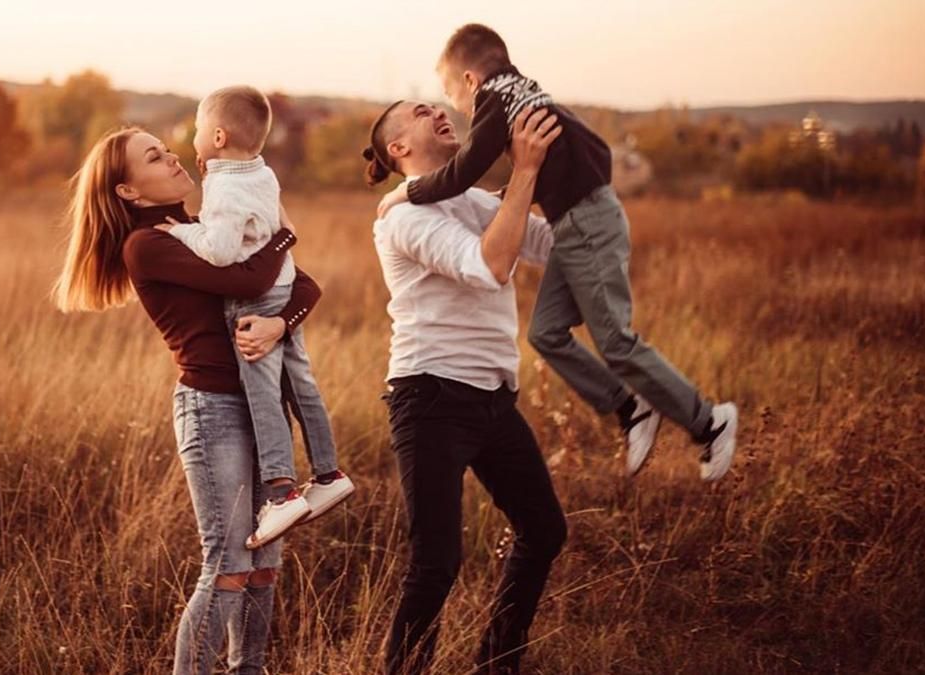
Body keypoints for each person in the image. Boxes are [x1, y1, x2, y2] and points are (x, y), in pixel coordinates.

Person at [376, 23, 738, 481]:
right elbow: (590, 148)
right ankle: (631, 409)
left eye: (450, 95)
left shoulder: (494, 98)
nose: (454, 108)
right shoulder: (524, 89)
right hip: (577, 221)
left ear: (470, 80)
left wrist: (406, 193)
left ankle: (709, 421)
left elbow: (463, 171)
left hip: (586, 220)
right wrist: (546, 182)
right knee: (546, 333)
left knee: (615, 342)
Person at [53, 126, 312, 674]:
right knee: (228, 563)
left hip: (261, 406)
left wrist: (275, 323)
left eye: (166, 148)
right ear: (129, 191)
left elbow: (303, 288)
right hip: (212, 410)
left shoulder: (203, 230)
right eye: (154, 156)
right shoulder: (148, 246)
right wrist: (285, 233)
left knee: (265, 561)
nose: (172, 156)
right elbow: (255, 272)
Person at [365, 101, 565, 674]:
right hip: (430, 397)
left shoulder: (475, 202)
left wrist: (556, 173)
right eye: (419, 111)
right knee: (436, 562)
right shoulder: (402, 218)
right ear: (399, 148)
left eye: (436, 101)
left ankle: (497, 663)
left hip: (494, 399)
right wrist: (522, 173)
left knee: (544, 530)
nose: (437, 109)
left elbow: (549, 248)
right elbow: (489, 266)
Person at [160, 85, 354, 550]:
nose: (194, 142)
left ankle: (282, 492)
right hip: (283, 288)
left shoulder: (222, 186)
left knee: (264, 394)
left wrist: (184, 232)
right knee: (301, 385)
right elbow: (281, 231)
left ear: (220, 137)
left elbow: (223, 252)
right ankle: (328, 473)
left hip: (254, 305)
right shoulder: (262, 173)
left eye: (200, 131)